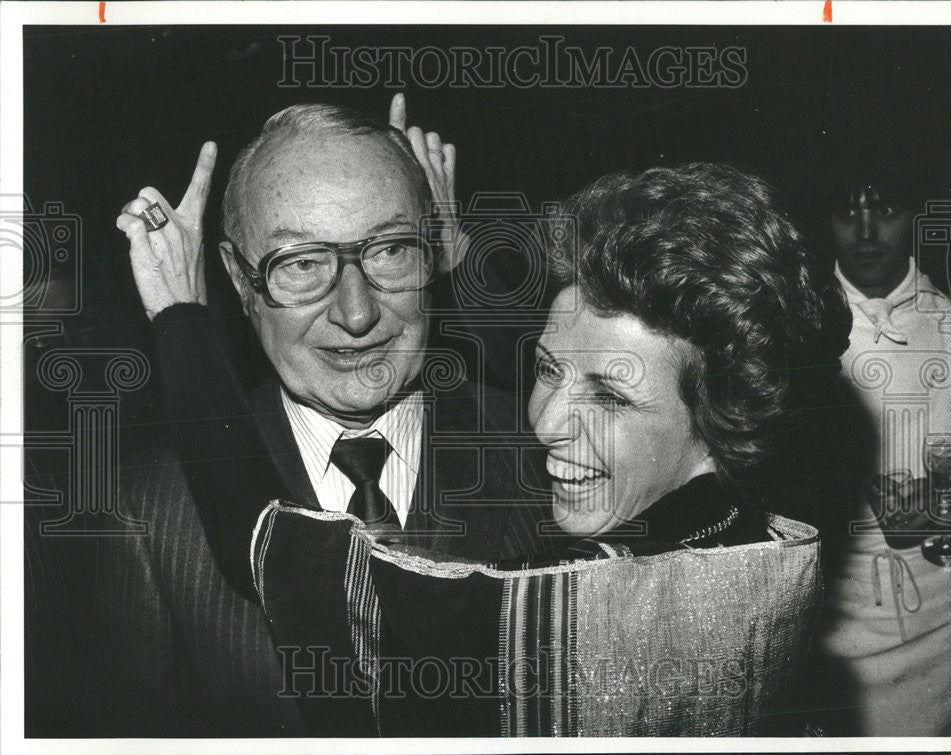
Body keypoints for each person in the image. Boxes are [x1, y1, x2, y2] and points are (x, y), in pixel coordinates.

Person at [134, 158, 852, 735]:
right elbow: (596, 355)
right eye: (546, 369)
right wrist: (451, 256)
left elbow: (282, 556)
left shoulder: (589, 603)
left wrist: (180, 319)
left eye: (608, 395)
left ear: (722, 421)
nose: (543, 426)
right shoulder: (777, 550)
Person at [99, 96, 555, 736]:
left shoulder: (550, 451)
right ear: (237, 276)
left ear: (436, 250)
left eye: (391, 249)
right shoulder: (144, 510)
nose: (358, 312)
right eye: (302, 264)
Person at [809, 174, 951, 736]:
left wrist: (944, 512)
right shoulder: (796, 330)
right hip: (833, 624)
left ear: (914, 214)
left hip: (945, 624)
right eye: (844, 210)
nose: (864, 229)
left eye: (883, 208)